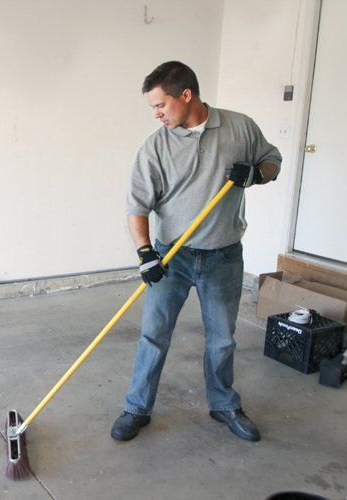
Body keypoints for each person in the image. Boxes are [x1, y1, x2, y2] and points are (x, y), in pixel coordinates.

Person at [111, 61, 282, 443]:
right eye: (153, 108)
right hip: (172, 257)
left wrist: (255, 175)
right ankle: (137, 408)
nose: (157, 115)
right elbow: (137, 206)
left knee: (222, 338)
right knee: (154, 335)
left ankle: (224, 404)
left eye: (161, 105)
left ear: (186, 95)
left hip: (223, 256)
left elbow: (273, 163)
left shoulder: (240, 127)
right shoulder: (156, 145)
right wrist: (145, 254)